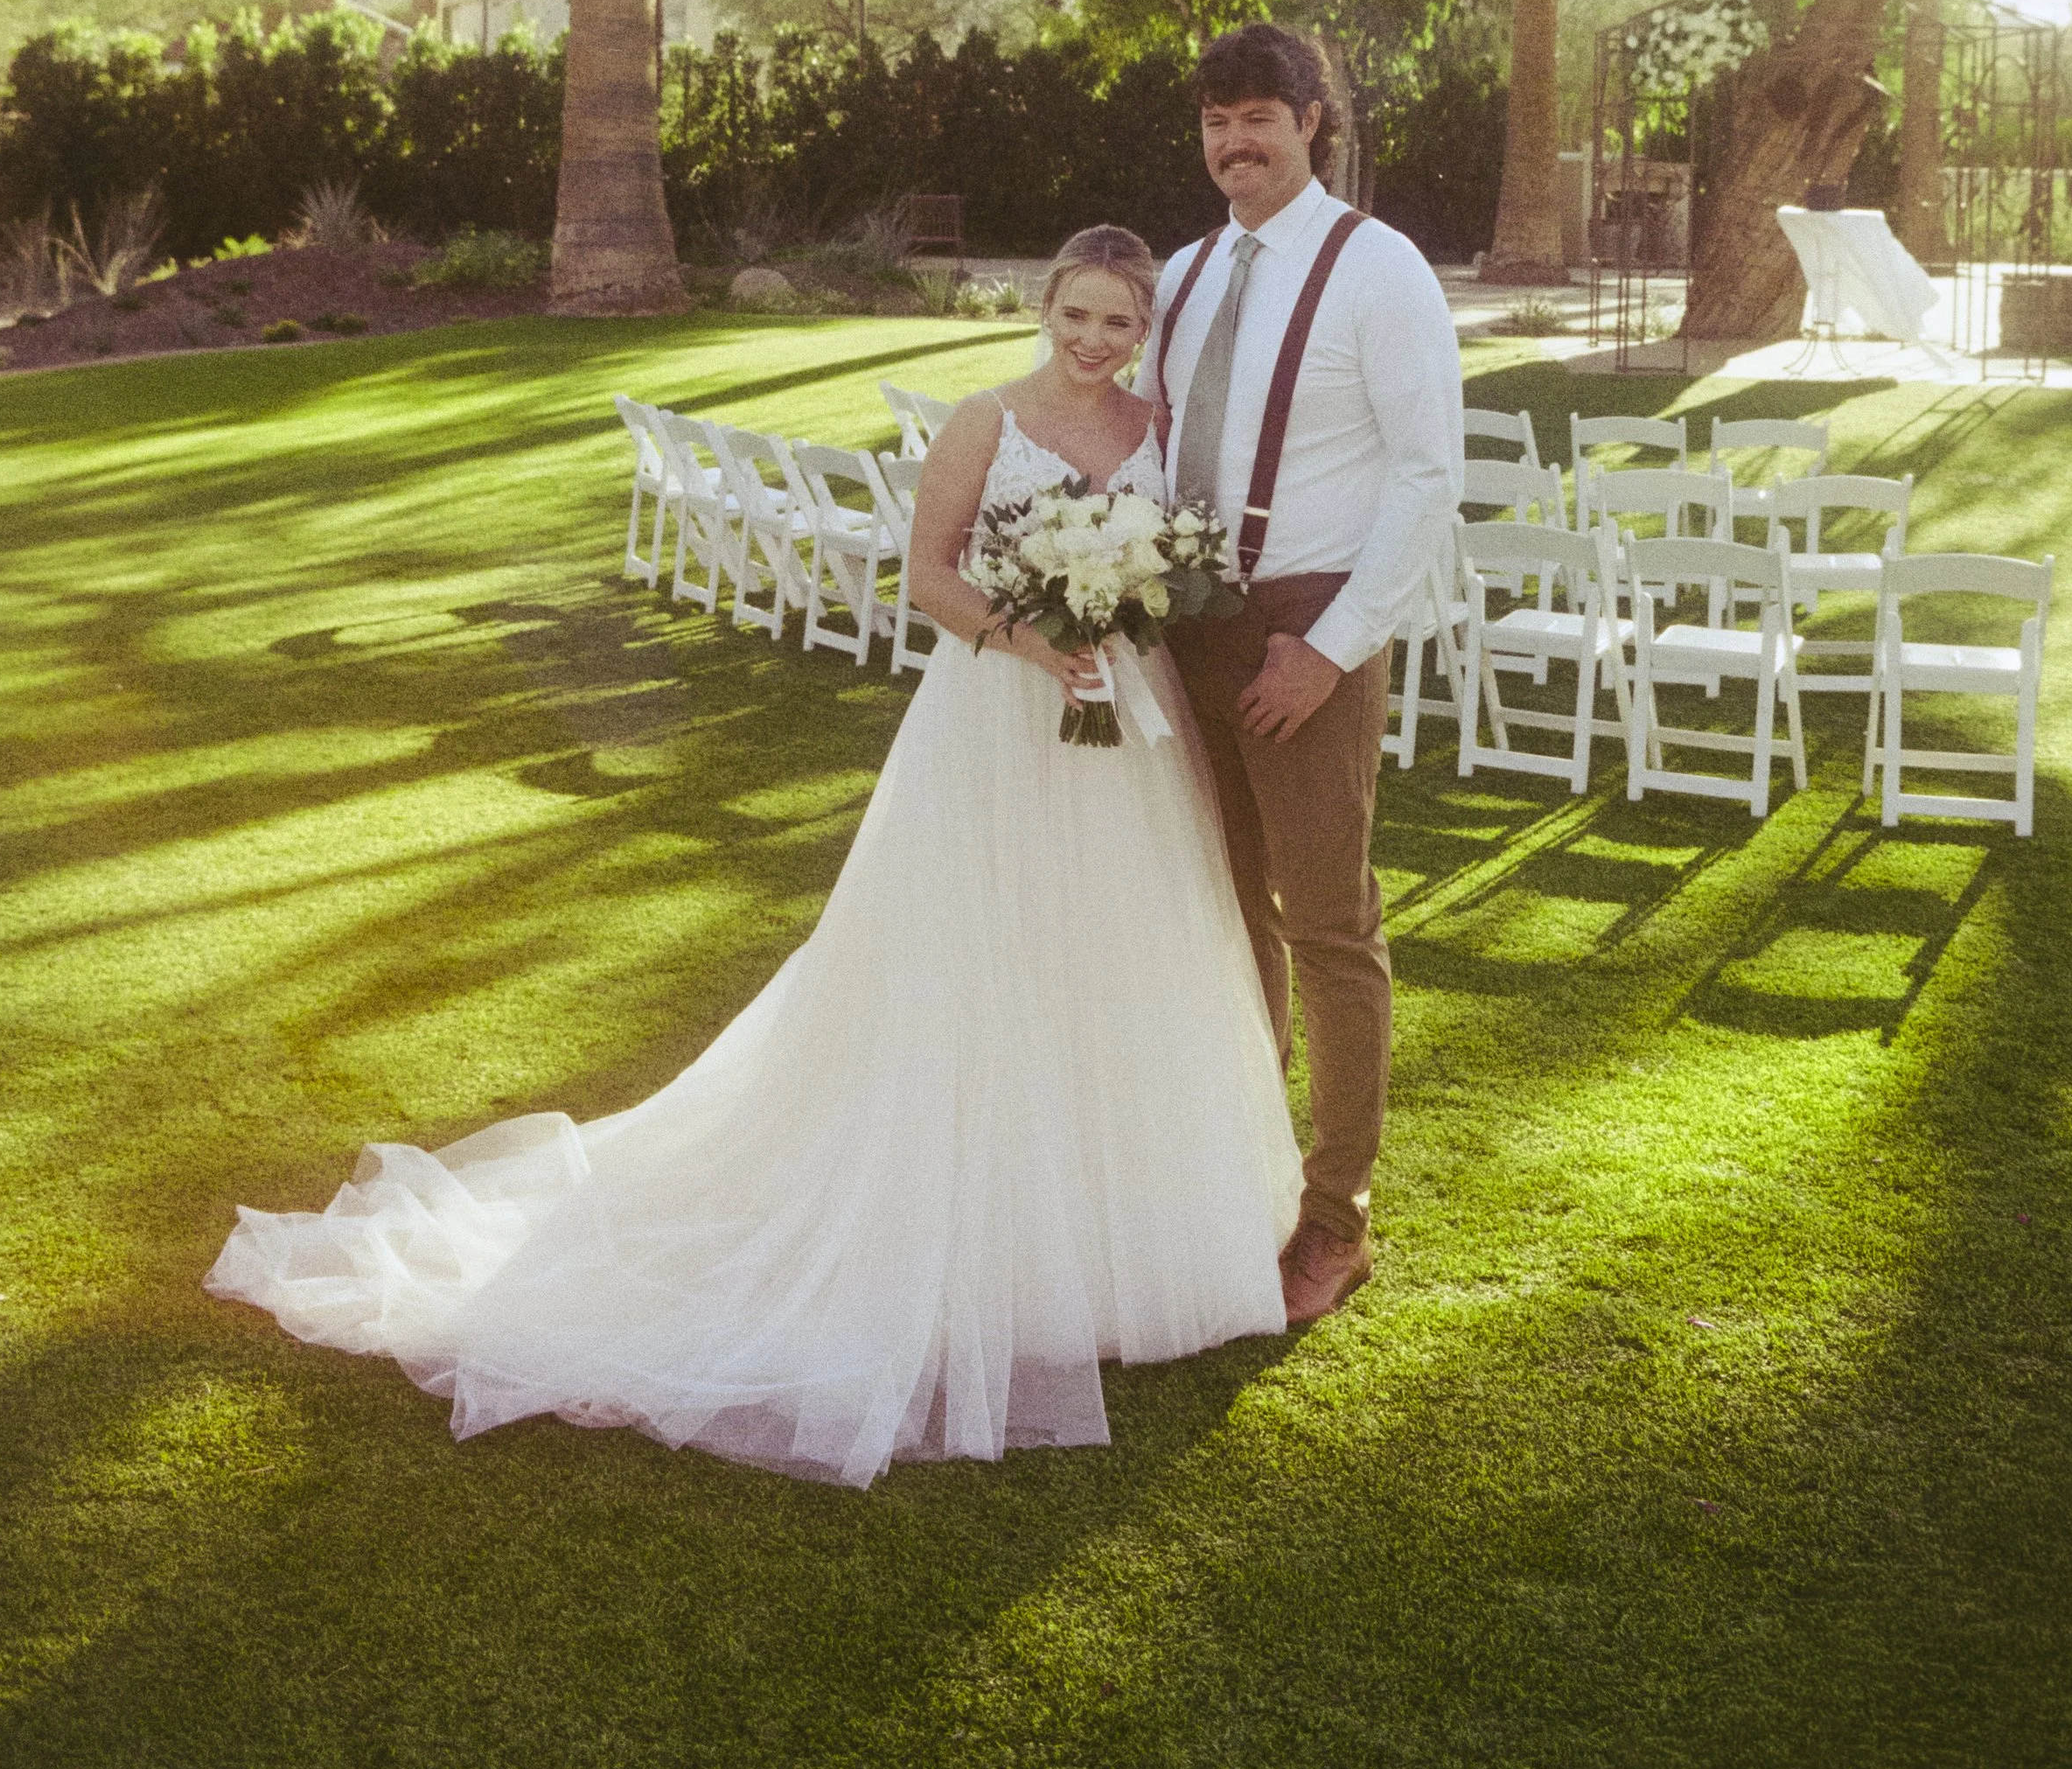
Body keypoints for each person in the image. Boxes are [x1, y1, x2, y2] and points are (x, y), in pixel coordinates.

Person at [205, 226, 1299, 1491]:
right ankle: (983, 1237)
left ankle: (1130, 1240)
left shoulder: (1155, 427)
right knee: (976, 954)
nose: (1095, 340)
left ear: (1144, 330)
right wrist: (1033, 640)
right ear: (1045, 308)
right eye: (1077, 314)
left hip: (1125, 727)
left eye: (1119, 322)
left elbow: (1175, 555)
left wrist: (1121, 608)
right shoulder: (985, 421)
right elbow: (927, 574)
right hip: (1000, 718)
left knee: (1119, 956)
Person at [1147, 26, 1463, 1328]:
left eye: (1258, 119)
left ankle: (1336, 1214)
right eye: (1216, 122)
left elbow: (1429, 475)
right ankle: (1249, 1170)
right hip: (1189, 626)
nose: (1235, 145)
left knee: (1328, 919)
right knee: (1228, 910)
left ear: (1312, 121)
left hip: (1307, 626)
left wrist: (1328, 649)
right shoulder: (1183, 273)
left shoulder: (1380, 268)